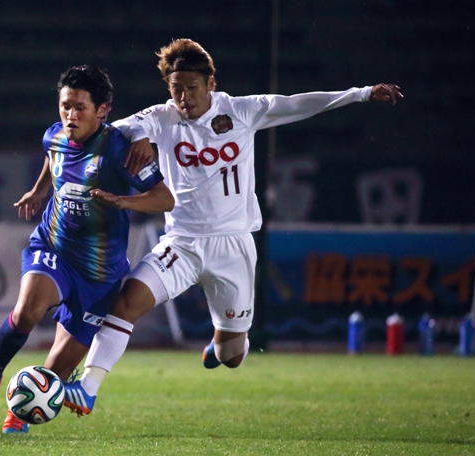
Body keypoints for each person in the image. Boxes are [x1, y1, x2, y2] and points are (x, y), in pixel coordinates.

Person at [62, 38, 403, 416]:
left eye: (192, 88)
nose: (184, 98)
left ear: (211, 83)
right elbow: (115, 129)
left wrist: (361, 93)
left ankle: (220, 343)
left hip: (233, 246)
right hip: (182, 243)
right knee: (126, 302)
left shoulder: (242, 111)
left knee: (231, 356)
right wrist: (137, 134)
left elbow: (298, 103)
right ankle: (87, 388)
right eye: (176, 89)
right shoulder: (161, 117)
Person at [0, 65, 174, 434]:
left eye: (80, 107)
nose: (70, 115)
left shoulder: (120, 149)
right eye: (65, 106)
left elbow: (165, 199)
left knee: (59, 368)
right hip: (55, 246)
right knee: (28, 309)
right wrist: (39, 191)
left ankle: (19, 413)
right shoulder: (53, 135)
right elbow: (52, 159)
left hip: (99, 273)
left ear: (103, 109)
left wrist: (122, 201)